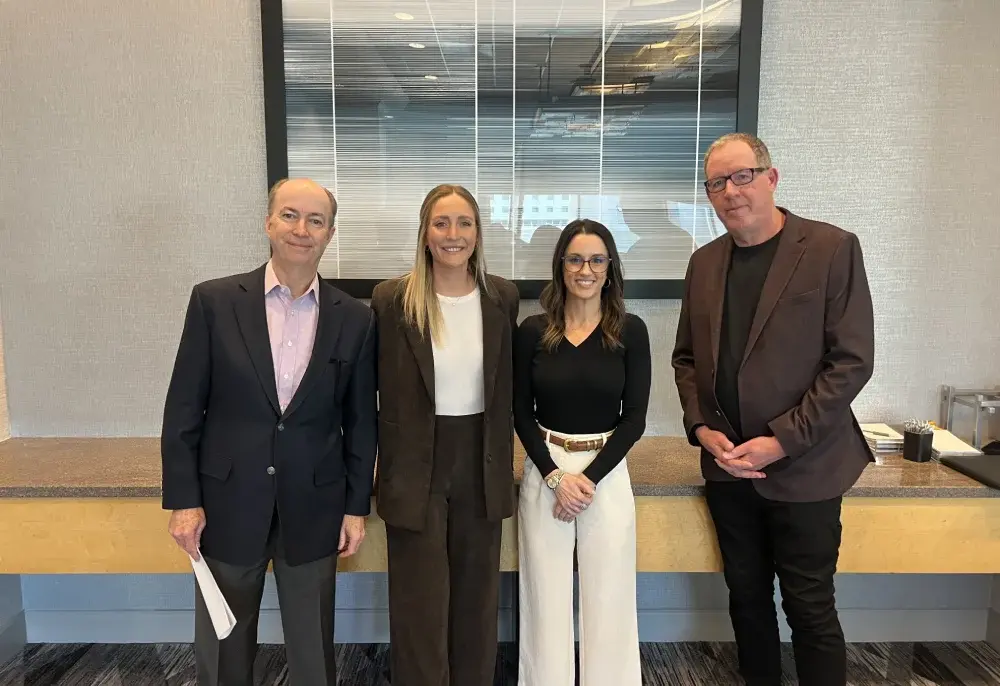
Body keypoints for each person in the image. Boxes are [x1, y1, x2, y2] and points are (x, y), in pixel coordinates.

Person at [671, 132, 875, 686]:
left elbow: (851, 362)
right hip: (728, 467)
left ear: (771, 177)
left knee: (809, 609)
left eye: (741, 176)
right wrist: (700, 429)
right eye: (717, 183)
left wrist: (783, 439)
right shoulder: (704, 263)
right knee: (747, 602)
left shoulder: (832, 249)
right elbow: (686, 359)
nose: (731, 192)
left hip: (805, 469)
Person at [161, 178, 378, 686]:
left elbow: (361, 423)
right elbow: (183, 409)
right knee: (223, 645)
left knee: (313, 650)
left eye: (315, 220)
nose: (301, 229)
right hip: (227, 502)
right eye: (289, 215)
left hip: (315, 505)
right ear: (268, 222)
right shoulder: (214, 302)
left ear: (328, 234)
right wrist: (184, 501)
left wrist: (355, 506)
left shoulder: (356, 320)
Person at [370, 184, 520, 686]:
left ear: (478, 233)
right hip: (415, 467)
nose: (453, 235)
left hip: (481, 462)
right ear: (425, 233)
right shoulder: (392, 300)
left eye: (464, 223)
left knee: (477, 605)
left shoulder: (502, 296)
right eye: (441, 223)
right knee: (420, 606)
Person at [513, 219, 651, 686]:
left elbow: (635, 418)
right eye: (575, 259)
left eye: (596, 259)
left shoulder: (631, 331)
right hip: (546, 470)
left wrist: (587, 479)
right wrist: (555, 476)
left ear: (610, 269)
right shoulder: (532, 331)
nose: (585, 269)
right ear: (561, 267)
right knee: (544, 596)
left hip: (605, 473)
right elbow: (519, 413)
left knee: (608, 594)